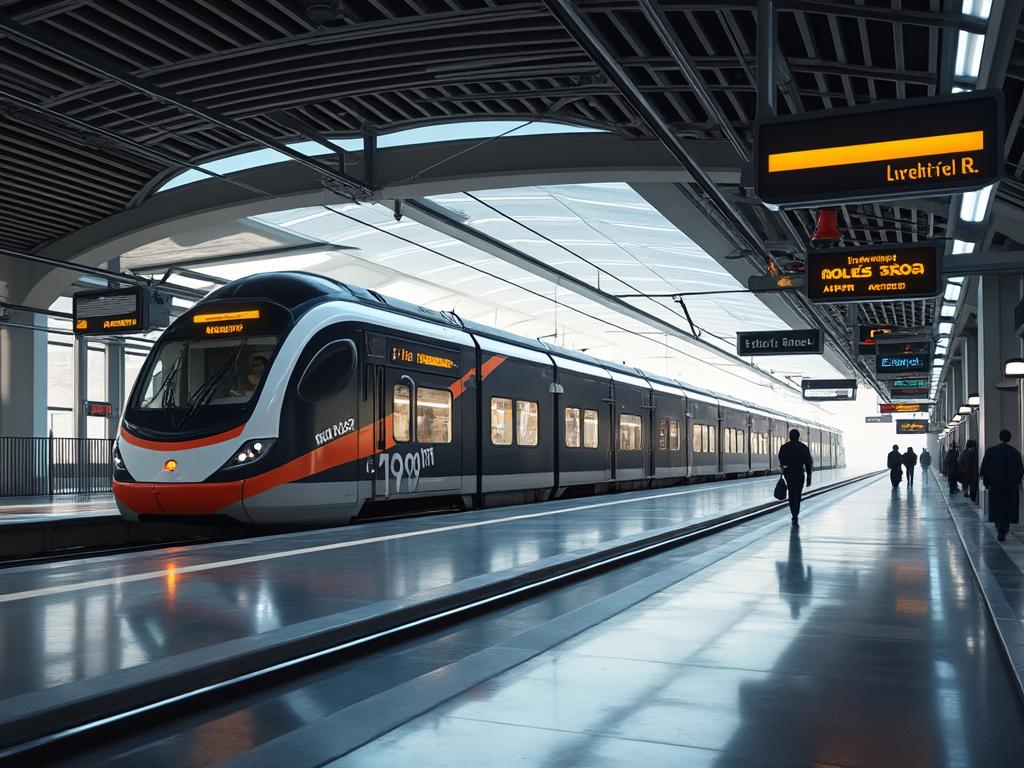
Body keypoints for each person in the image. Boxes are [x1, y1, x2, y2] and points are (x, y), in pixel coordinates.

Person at [979, 429, 1024, 542]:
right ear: (1009, 438)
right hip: (1010, 486)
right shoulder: (1015, 453)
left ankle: (1000, 528)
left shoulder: (991, 451)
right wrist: (1017, 482)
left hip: (995, 486)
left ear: (999, 438)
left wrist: (987, 483)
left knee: (997, 507)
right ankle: (1004, 528)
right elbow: (1020, 471)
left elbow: (984, 468)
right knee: (1008, 508)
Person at [778, 429, 813, 526]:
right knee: (798, 494)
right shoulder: (803, 447)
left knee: (791, 493)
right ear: (798, 437)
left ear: (789, 436)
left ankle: (793, 512)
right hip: (799, 473)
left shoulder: (784, 447)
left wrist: (784, 465)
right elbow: (808, 463)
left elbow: (781, 459)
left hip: (788, 473)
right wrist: (809, 476)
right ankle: (795, 514)